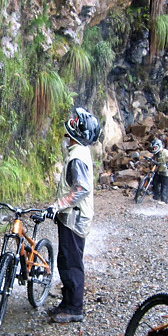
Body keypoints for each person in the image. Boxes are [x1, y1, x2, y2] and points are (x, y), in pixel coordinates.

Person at [44, 107, 99, 324]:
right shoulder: (79, 153)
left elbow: (81, 188)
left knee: (71, 263)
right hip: (72, 216)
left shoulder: (77, 157)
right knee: (65, 259)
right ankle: (67, 303)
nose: (66, 137)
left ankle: (75, 308)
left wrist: (56, 206)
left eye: (68, 133)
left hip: (74, 217)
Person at [149, 138, 168, 203]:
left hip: (165, 172)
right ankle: (156, 197)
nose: (154, 149)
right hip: (158, 172)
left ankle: (164, 201)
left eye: (155, 147)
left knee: (164, 187)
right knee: (155, 183)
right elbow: (153, 159)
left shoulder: (165, 152)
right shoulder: (156, 154)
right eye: (153, 148)